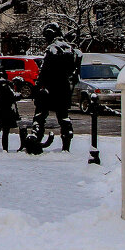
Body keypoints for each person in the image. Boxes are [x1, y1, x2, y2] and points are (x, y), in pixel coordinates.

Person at [26, 22, 82, 152]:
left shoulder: (52, 49)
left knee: (40, 116)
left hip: (49, 89)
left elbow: (45, 71)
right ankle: (66, 147)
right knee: (63, 117)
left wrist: (39, 87)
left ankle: (35, 141)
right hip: (63, 90)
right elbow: (74, 74)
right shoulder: (71, 50)